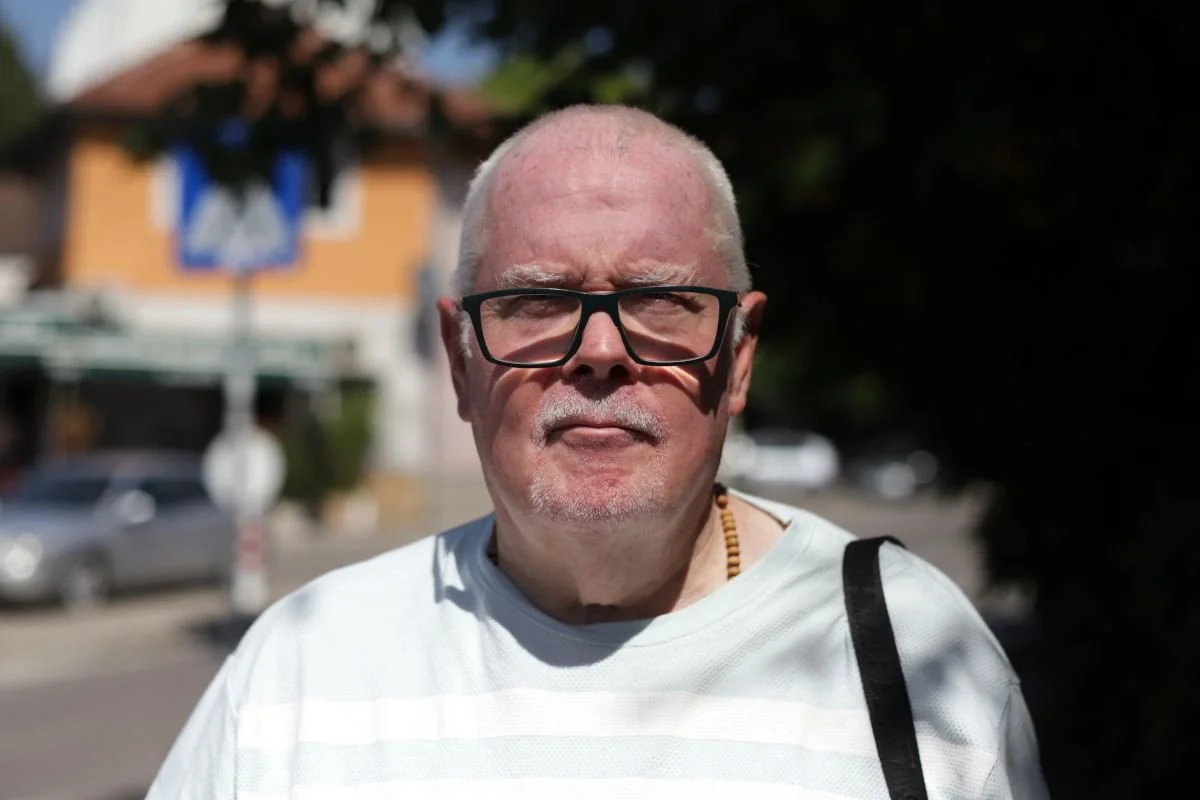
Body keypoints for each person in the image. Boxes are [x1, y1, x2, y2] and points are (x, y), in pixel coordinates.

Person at [147, 104, 1048, 799]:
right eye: (538, 301)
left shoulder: (907, 647)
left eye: (661, 300)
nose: (602, 350)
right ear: (460, 362)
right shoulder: (300, 671)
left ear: (738, 359)